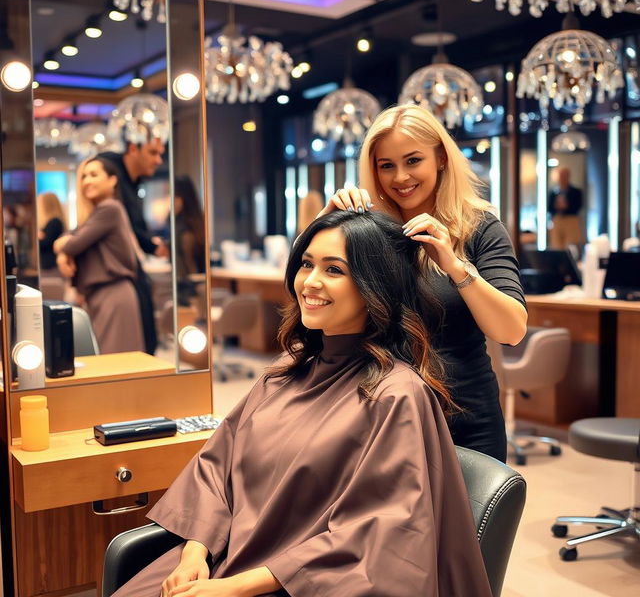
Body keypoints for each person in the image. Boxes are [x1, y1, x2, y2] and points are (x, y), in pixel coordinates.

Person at [112, 210, 492, 597]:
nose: (310, 282)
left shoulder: (396, 396)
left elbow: (377, 537)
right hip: (220, 563)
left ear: (376, 286)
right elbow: (217, 469)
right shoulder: (284, 373)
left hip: (301, 585)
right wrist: (195, 554)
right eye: (306, 264)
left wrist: (236, 588)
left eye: (334, 270)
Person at [320, 104, 527, 462]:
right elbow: (306, 296)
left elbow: (511, 330)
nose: (400, 177)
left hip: (465, 416)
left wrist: (454, 265)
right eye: (387, 166)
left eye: (413, 161)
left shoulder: (480, 228)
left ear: (441, 159)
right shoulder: (370, 232)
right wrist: (325, 225)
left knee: (464, 519)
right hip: (381, 415)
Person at [53, 157, 144, 354]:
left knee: (115, 366)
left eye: (94, 175)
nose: (86, 181)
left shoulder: (109, 208)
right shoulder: (97, 214)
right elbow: (72, 236)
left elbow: (74, 243)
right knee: (108, 363)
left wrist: (63, 251)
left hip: (113, 294)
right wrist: (63, 250)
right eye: (84, 176)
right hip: (103, 296)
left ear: (112, 180)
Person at [97, 135, 167, 354]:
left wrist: (151, 245)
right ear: (132, 149)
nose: (158, 161)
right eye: (153, 153)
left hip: (132, 271)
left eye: (161, 154)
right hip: (113, 275)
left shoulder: (135, 185)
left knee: (147, 339)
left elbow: (135, 229)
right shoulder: (112, 176)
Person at [173, 176, 206, 306]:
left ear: (182, 199)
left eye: (174, 198)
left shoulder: (185, 229)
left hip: (189, 293)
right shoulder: (194, 224)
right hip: (190, 289)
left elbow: (190, 268)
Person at [547, 165, 584, 249]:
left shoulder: (576, 192)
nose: (562, 178)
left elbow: (578, 206)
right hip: (557, 220)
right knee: (556, 246)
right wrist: (557, 207)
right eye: (561, 175)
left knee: (570, 246)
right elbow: (549, 207)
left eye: (564, 175)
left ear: (568, 176)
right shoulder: (553, 192)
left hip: (571, 220)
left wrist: (566, 207)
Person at [36, 192, 65, 275]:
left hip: (51, 266)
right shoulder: (49, 223)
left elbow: (46, 242)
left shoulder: (55, 222)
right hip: (48, 265)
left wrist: (38, 237)